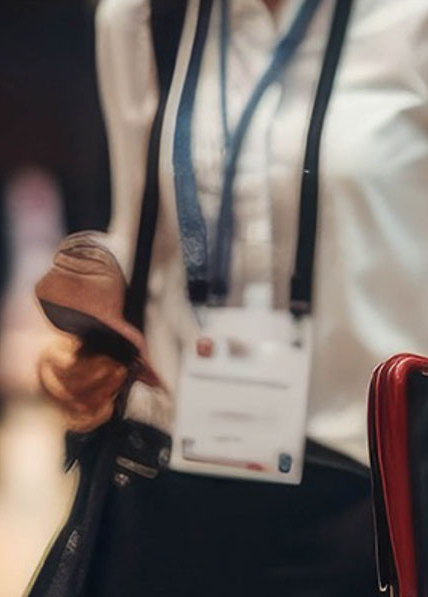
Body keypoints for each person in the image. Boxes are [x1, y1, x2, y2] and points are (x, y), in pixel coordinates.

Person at [33, 0, 428, 595]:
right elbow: (142, 227)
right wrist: (99, 345)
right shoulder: (142, 17)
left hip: (371, 495)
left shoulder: (408, 21)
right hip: (173, 478)